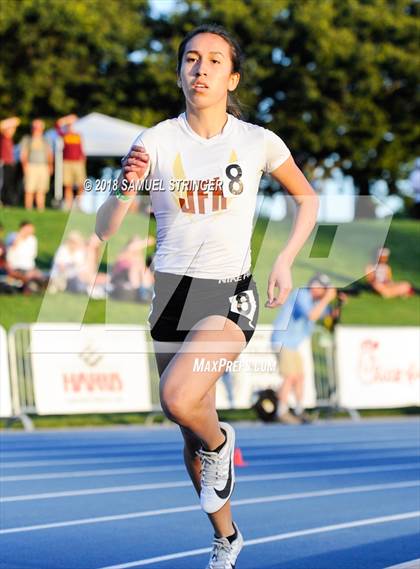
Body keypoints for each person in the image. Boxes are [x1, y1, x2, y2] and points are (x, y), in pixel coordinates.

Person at [96, 24, 319, 569]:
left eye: (215, 61)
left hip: (230, 296)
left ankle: (221, 444)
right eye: (192, 59)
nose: (202, 69)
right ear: (180, 73)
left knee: (178, 399)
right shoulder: (152, 141)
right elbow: (104, 226)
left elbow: (308, 200)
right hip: (171, 296)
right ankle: (227, 537)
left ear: (231, 77)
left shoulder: (257, 141)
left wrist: (285, 260)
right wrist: (123, 190)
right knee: (187, 433)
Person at [271, 274, 336, 425]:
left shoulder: (315, 300)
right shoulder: (301, 294)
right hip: (282, 340)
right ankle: (281, 411)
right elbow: (312, 315)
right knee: (290, 376)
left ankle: (299, 410)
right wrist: (327, 299)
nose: (325, 292)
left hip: (292, 344)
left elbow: (327, 314)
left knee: (299, 376)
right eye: (323, 288)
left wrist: (337, 303)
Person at [20, 119, 54, 211]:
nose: (37, 129)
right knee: (29, 189)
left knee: (41, 190)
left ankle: (40, 209)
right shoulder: (27, 139)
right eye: (35, 127)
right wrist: (25, 166)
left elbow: (49, 154)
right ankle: (28, 208)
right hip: (31, 166)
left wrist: (50, 166)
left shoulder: (46, 140)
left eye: (39, 127)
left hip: (43, 167)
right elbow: (24, 154)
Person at [55, 114, 86, 210]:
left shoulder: (78, 136)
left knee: (81, 184)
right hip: (67, 162)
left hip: (78, 163)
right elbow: (57, 125)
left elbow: (82, 151)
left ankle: (79, 204)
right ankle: (69, 206)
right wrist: (67, 119)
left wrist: (83, 161)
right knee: (68, 185)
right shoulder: (65, 135)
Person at [6, 220, 46, 292]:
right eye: (29, 228)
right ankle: (29, 288)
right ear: (23, 228)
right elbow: (12, 249)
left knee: (41, 276)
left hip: (30, 267)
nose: (32, 231)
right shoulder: (13, 236)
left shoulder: (32, 239)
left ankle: (37, 288)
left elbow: (33, 255)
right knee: (29, 277)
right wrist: (20, 236)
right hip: (17, 267)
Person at [0, 116, 20, 206]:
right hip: (3, 164)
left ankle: (7, 201)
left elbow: (17, 120)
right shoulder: (3, 137)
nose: (13, 131)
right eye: (10, 129)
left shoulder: (9, 139)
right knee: (2, 183)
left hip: (9, 164)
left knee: (8, 184)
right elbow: (15, 121)